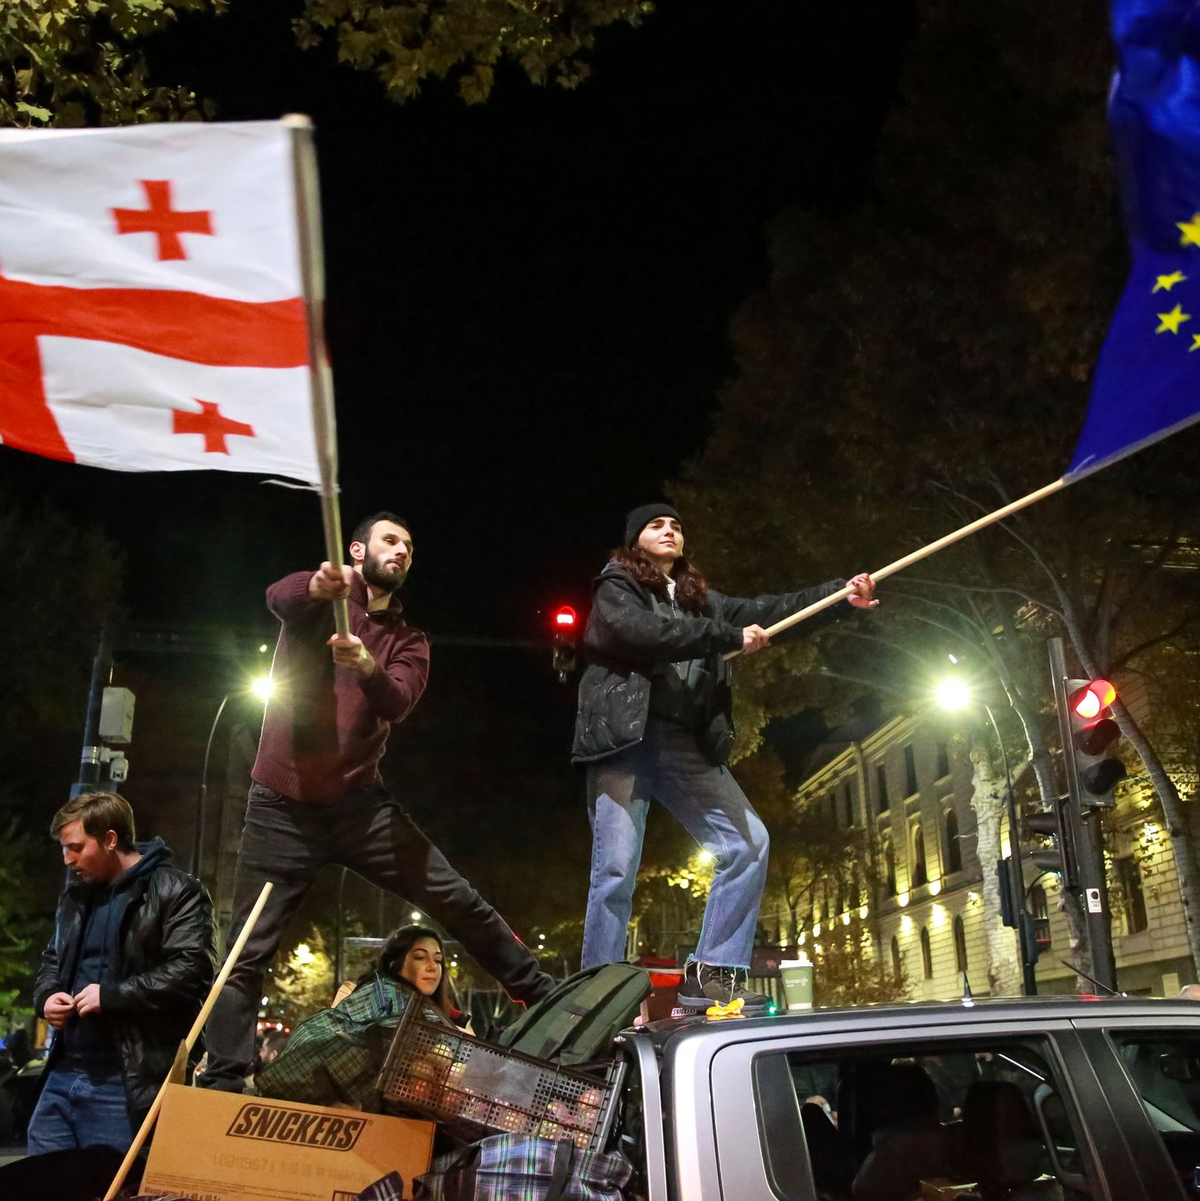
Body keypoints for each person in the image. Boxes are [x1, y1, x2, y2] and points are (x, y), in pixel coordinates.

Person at [202, 512, 552, 1092]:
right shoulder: (321, 600)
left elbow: (397, 701)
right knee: (244, 951)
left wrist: (365, 663)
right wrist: (318, 585)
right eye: (391, 540)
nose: (403, 551)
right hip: (280, 810)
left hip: (359, 809)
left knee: (456, 897)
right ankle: (223, 1080)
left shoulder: (409, 641)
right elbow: (278, 597)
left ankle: (540, 994)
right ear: (357, 550)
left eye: (410, 547)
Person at [573, 503, 876, 1013]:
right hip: (624, 741)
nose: (670, 530)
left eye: (677, 526)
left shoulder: (701, 602)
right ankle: (594, 997)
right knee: (616, 868)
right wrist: (726, 637)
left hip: (681, 743)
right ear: (634, 540)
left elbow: (773, 610)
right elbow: (641, 635)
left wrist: (840, 596)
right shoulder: (616, 588)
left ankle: (711, 981)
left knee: (748, 842)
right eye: (656, 525)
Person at [29, 792, 216, 1155]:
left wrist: (111, 995)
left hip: (125, 1081)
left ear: (111, 839)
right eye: (64, 849)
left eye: (77, 848)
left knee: (111, 1187)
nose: (68, 860)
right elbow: (52, 959)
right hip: (63, 1073)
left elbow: (192, 970)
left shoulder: (175, 891)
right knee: (40, 1183)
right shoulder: (75, 898)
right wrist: (46, 997)